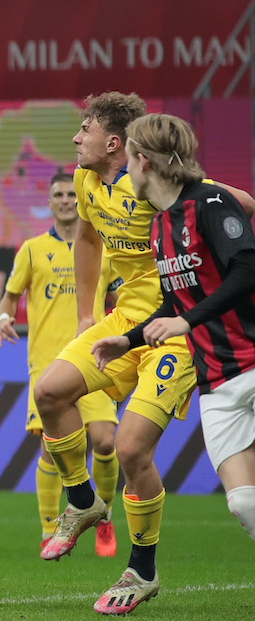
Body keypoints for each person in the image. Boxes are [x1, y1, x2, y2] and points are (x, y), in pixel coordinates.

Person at [31, 94, 255, 615]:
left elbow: (239, 202)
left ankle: (142, 569)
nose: (74, 138)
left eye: (83, 129)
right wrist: (87, 312)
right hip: (123, 322)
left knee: (130, 450)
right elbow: (86, 238)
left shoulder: (163, 187)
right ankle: (84, 503)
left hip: (176, 329)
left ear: (117, 144)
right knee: (50, 391)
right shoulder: (87, 182)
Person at [90, 114, 255, 588]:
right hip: (218, 383)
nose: (125, 170)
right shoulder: (160, 225)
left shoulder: (211, 201)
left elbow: (247, 270)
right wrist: (130, 338)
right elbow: (173, 300)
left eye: (128, 160)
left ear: (142, 161)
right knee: (244, 503)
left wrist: (186, 320)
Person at [0, 173, 120, 556]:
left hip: (94, 358)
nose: (66, 200)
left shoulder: (103, 249)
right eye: (59, 194)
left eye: (71, 193)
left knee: (104, 442)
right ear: (49, 202)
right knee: (52, 452)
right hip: (48, 363)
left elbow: (120, 297)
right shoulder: (32, 250)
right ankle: (51, 527)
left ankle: (103, 518)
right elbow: (8, 297)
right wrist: (4, 319)